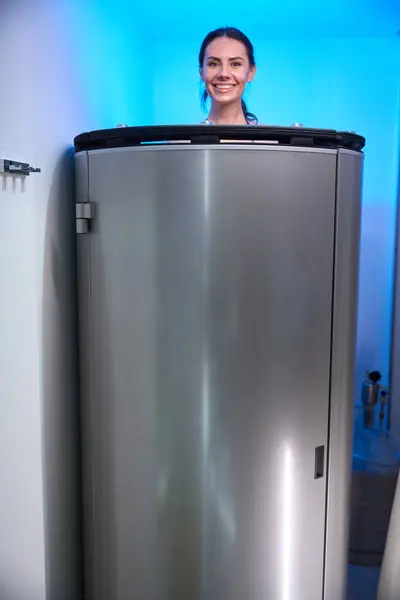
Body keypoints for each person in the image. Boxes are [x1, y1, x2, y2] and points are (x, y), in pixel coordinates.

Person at [199, 27, 258, 125]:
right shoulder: (184, 140)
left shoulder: (272, 139)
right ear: (201, 72)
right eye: (213, 64)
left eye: (235, 64)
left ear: (251, 72)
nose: (224, 74)